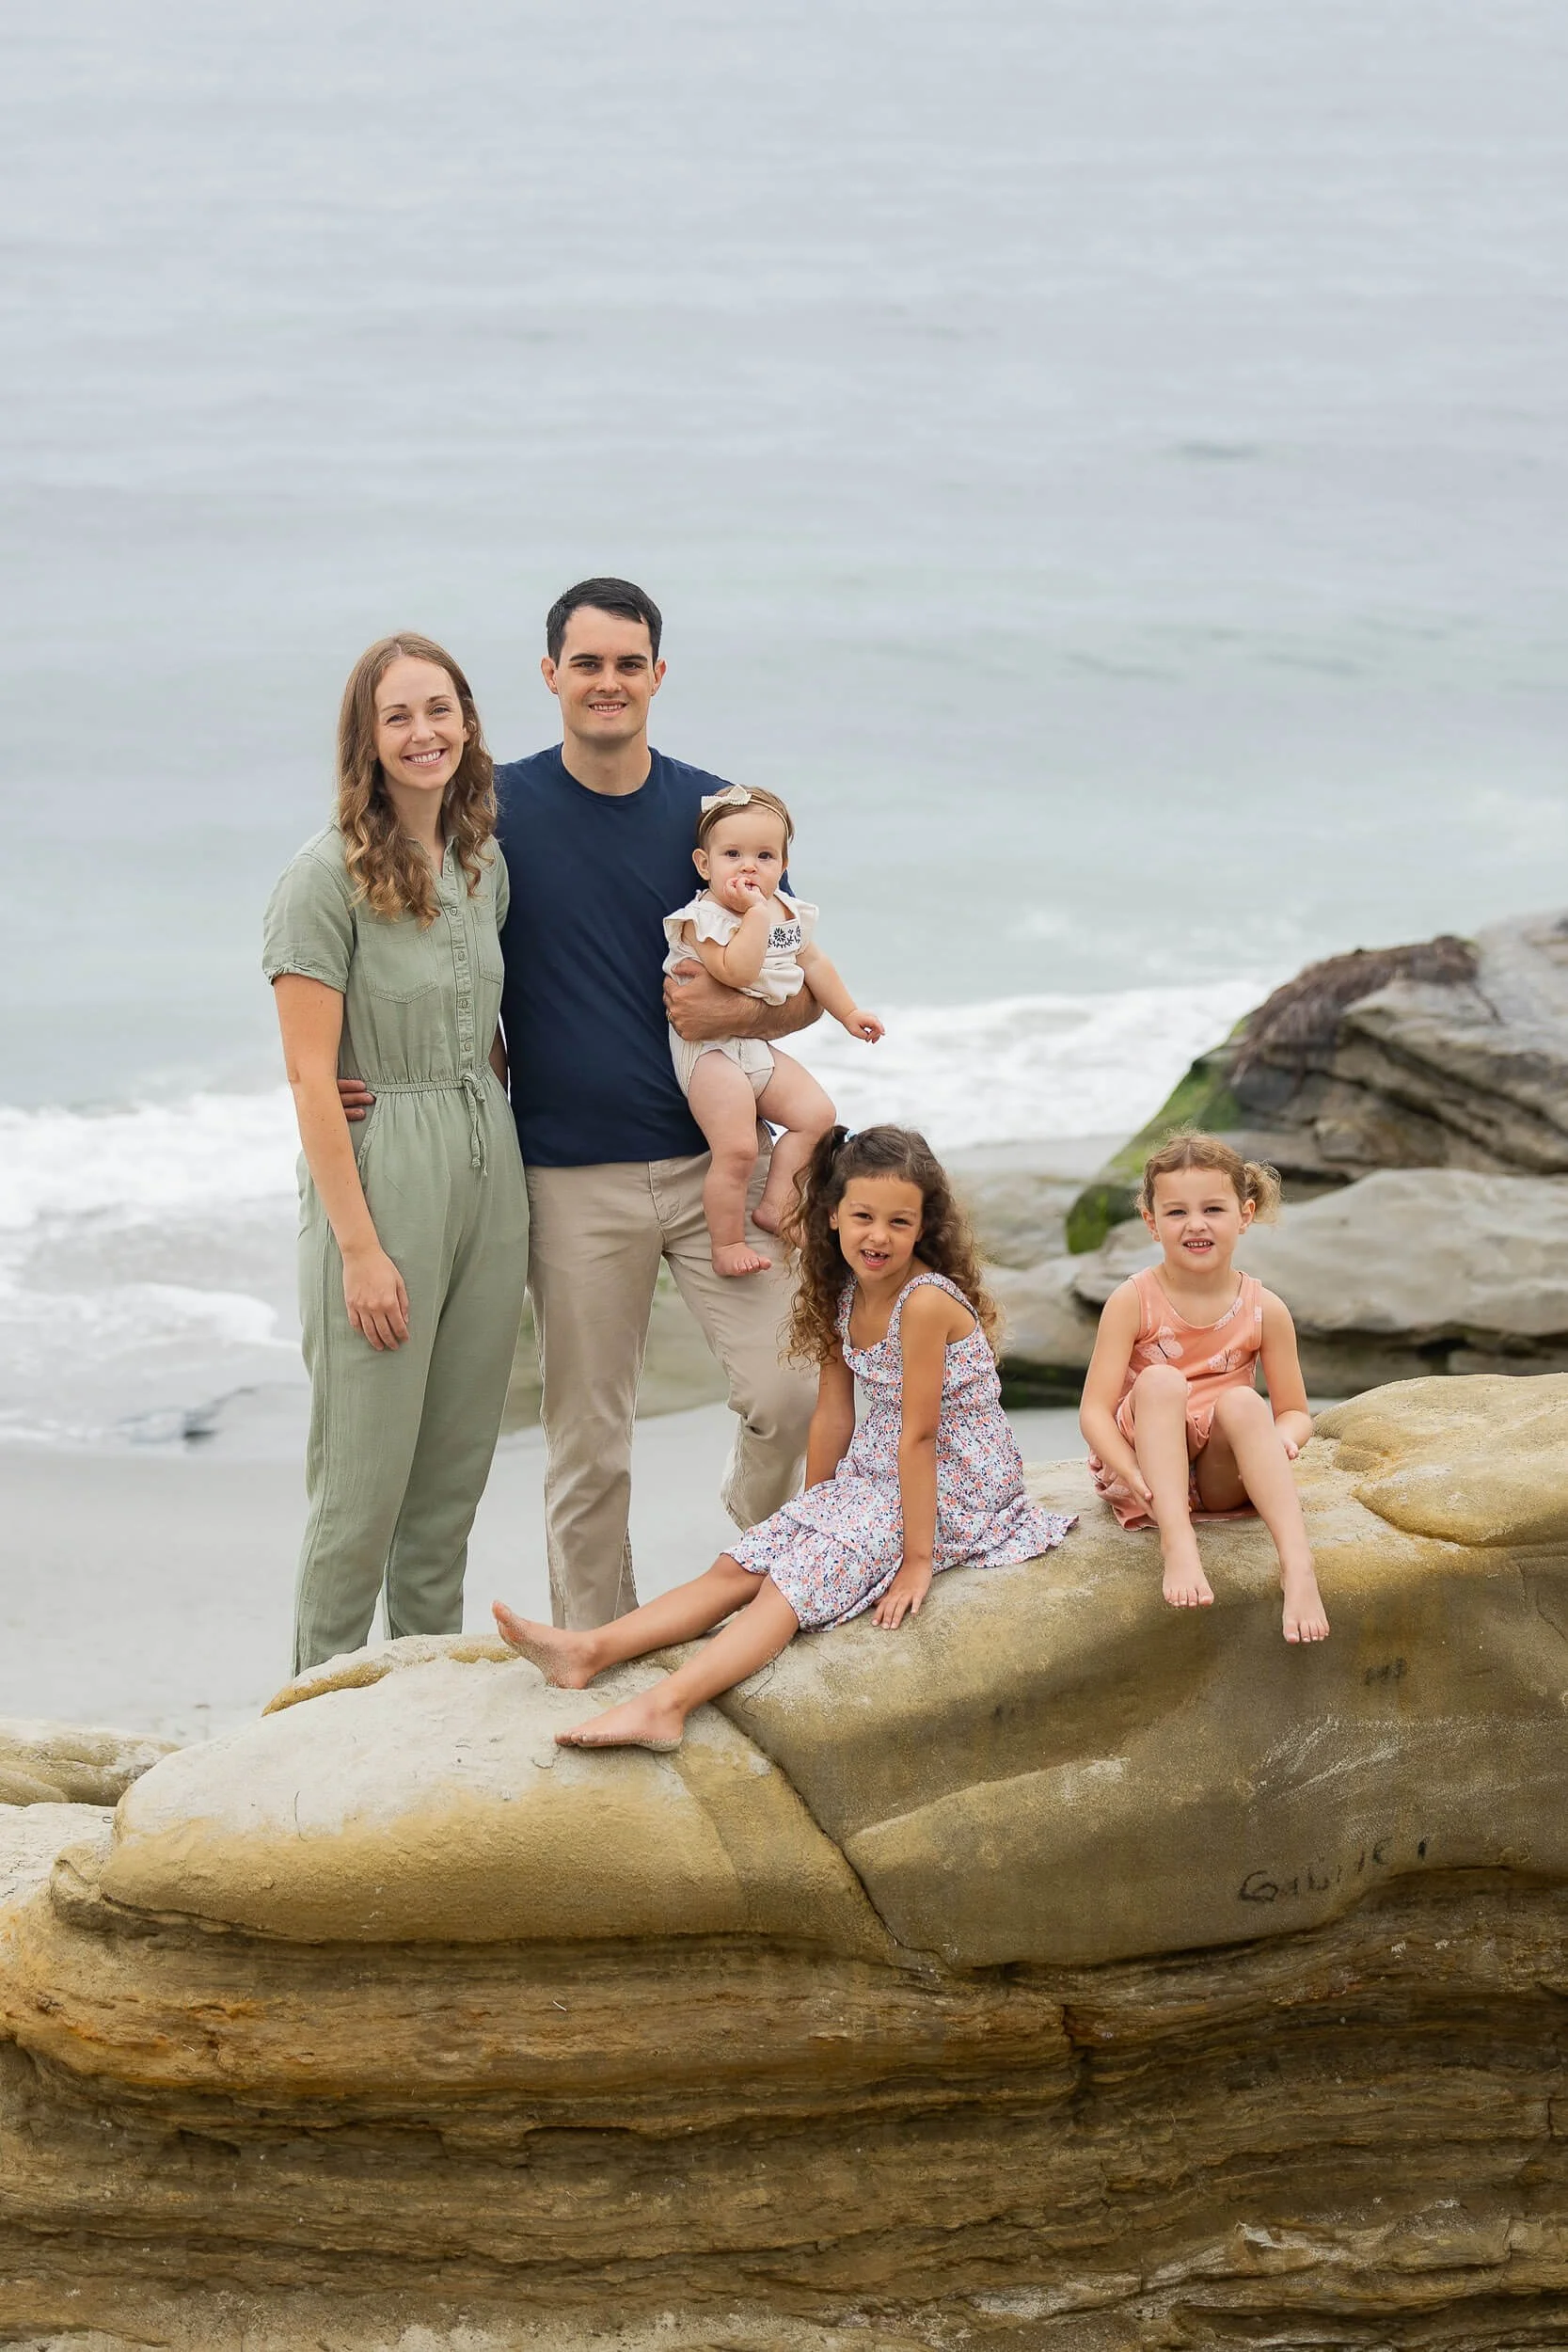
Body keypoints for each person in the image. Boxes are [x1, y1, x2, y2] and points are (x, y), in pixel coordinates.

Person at [340, 579, 816, 1631]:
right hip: (563, 1175)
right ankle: (600, 1647)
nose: (609, 682)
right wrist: (355, 1060)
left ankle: (754, 1555)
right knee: (588, 1449)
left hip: (712, 1169)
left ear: (657, 674)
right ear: (550, 675)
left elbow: (792, 999)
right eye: (587, 663)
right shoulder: (488, 813)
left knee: (790, 1395)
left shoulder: (719, 818)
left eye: (628, 662)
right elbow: (398, 939)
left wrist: (734, 1024)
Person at [490, 1124, 1077, 1751]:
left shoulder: (925, 1301)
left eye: (898, 1223)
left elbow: (922, 1434)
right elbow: (831, 1415)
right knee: (741, 1561)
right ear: (831, 1216)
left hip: (956, 1478)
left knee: (787, 1583)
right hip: (879, 1470)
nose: (877, 1236)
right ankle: (589, 1648)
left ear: (923, 1227)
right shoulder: (841, 1290)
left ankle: (666, 1706)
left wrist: (916, 1561)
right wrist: (813, 1509)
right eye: (862, 1217)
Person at [264, 634, 529, 1674]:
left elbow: (492, 1027)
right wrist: (360, 1250)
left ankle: (416, 1719)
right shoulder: (319, 878)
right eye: (398, 717)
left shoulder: (481, 860)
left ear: (466, 721)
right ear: (366, 742)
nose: (423, 734)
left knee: (448, 1487)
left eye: (439, 710)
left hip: (487, 1168)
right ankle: (307, 1723)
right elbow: (308, 1079)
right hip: (382, 1180)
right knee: (360, 1490)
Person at [1077, 1130, 1330, 1644]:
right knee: (1162, 1380)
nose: (1195, 1224)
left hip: (1218, 1476)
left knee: (1242, 1400)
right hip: (1149, 1467)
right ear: (1151, 1223)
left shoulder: (1266, 1309)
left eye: (1213, 1209)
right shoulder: (1133, 1301)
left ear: (1245, 1213)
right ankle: (1178, 1541)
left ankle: (1298, 1566)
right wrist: (1130, 1472)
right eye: (1176, 1213)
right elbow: (1094, 1413)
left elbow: (1297, 1412)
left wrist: (1281, 1439)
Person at [661, 782, 883, 1277]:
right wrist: (757, 916)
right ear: (704, 864)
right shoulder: (702, 919)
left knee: (816, 1114)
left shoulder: (788, 912)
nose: (748, 866)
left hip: (752, 1046)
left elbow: (814, 963)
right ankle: (726, 1244)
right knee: (738, 1148)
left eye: (764, 856)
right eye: (732, 854)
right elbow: (736, 972)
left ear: (783, 867)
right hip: (708, 1054)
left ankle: (777, 1202)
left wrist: (849, 1014)